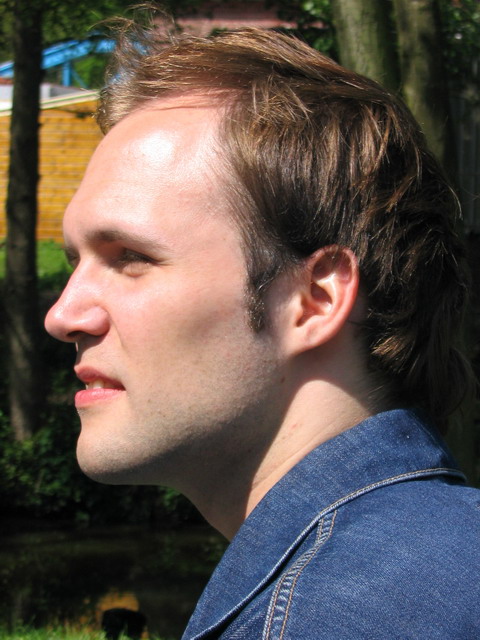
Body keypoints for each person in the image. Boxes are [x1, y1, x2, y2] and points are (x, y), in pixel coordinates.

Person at [45, 21, 480, 640]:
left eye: (131, 257)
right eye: (75, 262)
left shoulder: (326, 618)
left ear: (314, 300)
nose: (63, 315)